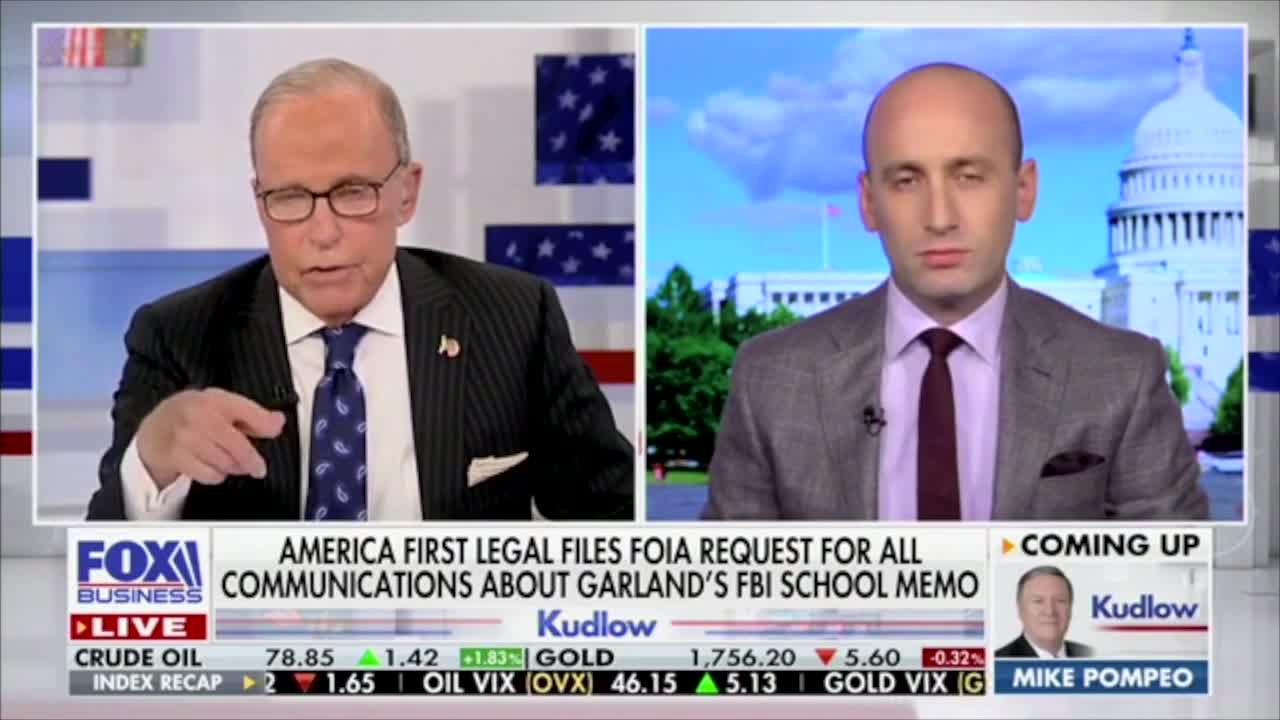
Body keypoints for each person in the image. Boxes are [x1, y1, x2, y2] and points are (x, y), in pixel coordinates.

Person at [85, 58, 634, 521]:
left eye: (352, 192)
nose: (323, 233)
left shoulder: (513, 316)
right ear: (260, 203)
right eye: (290, 197)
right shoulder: (177, 336)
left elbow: (618, 518)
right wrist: (151, 464)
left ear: (406, 193)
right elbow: (106, 579)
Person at [702, 62, 1210, 521]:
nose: (940, 218)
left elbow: (1174, 579)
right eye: (907, 181)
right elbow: (729, 587)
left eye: (968, 177)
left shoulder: (1122, 375)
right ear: (869, 202)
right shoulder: (773, 380)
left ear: (1024, 190)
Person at [996, 566, 1094, 658]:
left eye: (1060, 601)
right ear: (1020, 609)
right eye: (1038, 601)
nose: (1050, 611)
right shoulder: (997, 661)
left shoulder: (1090, 655)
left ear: (1070, 608)